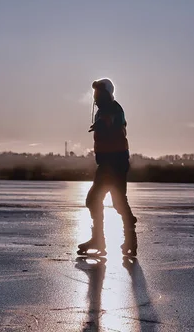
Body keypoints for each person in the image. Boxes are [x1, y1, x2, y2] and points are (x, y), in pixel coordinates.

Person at [77, 78, 138, 256]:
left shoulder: (113, 109)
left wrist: (103, 124)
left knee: (96, 199)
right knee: (116, 201)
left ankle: (103, 240)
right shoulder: (104, 110)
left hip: (114, 162)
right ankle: (126, 239)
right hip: (109, 162)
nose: (96, 97)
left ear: (108, 94)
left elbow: (111, 121)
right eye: (95, 94)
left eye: (99, 93)